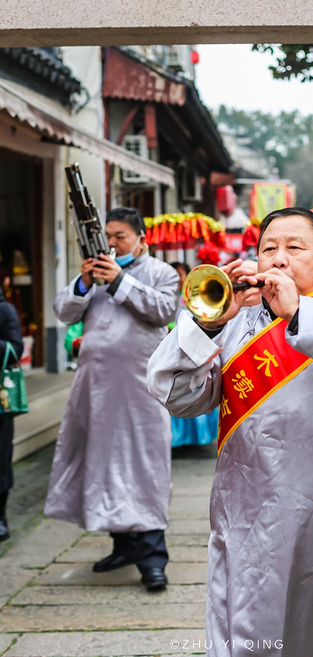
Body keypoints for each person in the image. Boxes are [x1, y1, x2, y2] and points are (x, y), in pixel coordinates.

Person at [147, 208, 313, 656]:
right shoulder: (235, 324)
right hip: (245, 520)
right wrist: (209, 324)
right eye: (269, 248)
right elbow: (175, 394)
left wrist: (298, 313)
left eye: (294, 247)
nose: (278, 258)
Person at [45, 207, 179, 591]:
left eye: (121, 236)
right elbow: (63, 310)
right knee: (104, 463)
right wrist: (85, 283)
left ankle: (153, 558)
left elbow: (163, 311)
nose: (112, 243)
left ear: (141, 240)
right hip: (97, 387)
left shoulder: (161, 273)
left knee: (145, 466)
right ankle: (123, 545)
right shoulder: (95, 273)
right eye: (109, 235)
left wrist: (120, 280)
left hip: (140, 389)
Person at [0, 286, 24, 541]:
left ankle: (1, 516)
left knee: (1, 458)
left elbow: (15, 349)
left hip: (1, 398)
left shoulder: (4, 309)